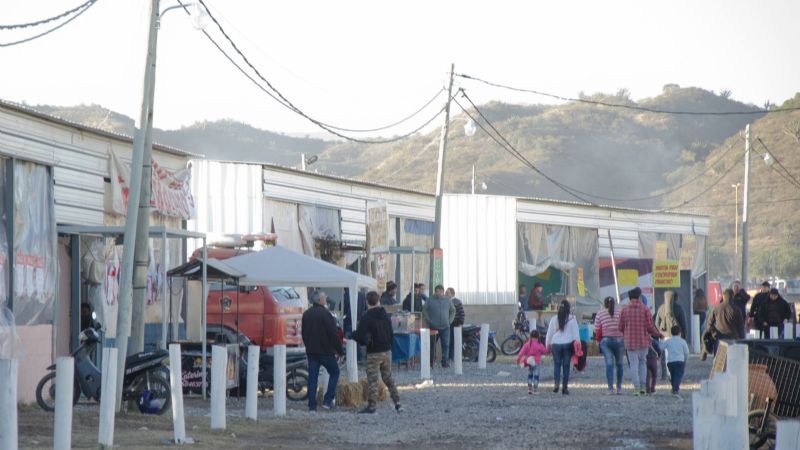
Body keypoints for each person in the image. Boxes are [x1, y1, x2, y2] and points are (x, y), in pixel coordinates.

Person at [353, 291, 403, 414]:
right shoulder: (385, 314)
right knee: (388, 378)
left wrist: (352, 335)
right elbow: (391, 333)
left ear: (366, 301)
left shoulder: (367, 316)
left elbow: (360, 336)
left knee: (373, 380)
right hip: (386, 351)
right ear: (378, 300)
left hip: (373, 352)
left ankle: (372, 406)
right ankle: (397, 403)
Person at [301, 290, 343, 411]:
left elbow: (303, 333)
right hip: (326, 351)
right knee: (335, 372)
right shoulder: (326, 314)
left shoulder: (306, 314)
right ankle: (327, 400)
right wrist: (340, 350)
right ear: (320, 300)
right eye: (324, 297)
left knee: (313, 377)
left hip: (311, 351)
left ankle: (312, 405)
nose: (326, 299)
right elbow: (333, 334)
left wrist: (308, 345)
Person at [619, 287, 663, 396]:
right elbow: (650, 326)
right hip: (643, 342)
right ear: (639, 296)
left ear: (629, 297)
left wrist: (625, 331)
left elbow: (620, 326)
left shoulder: (624, 310)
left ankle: (637, 388)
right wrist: (658, 334)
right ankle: (643, 387)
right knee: (643, 363)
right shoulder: (645, 309)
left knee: (633, 365)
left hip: (630, 342)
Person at [545, 300, 580, 395]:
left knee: (557, 365)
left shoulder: (554, 319)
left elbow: (549, 334)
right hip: (568, 344)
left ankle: (556, 384)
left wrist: (547, 345)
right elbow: (576, 334)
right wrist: (578, 345)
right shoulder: (572, 319)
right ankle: (565, 388)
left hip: (555, 344)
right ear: (568, 309)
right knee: (566, 365)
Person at [594, 296, 624, 395]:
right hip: (619, 341)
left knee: (609, 364)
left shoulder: (600, 313)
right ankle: (619, 388)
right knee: (619, 364)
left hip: (606, 341)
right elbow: (623, 326)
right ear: (614, 303)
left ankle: (610, 388)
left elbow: (596, 329)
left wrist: (597, 341)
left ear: (604, 304)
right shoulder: (620, 312)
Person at [655, 290, 687, 380]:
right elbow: (683, 323)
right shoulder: (679, 308)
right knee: (676, 355)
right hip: (677, 336)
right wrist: (684, 334)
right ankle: (674, 374)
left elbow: (657, 323)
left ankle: (664, 375)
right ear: (675, 298)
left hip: (664, 336)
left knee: (664, 357)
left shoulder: (661, 308)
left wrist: (660, 333)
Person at [422, 285, 455, 368]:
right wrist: (429, 320)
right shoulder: (430, 300)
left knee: (446, 345)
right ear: (435, 292)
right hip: (433, 327)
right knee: (432, 345)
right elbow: (424, 310)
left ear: (443, 292)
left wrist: (449, 321)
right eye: (437, 291)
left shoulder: (447, 300)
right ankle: (431, 362)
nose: (439, 293)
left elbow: (453, 310)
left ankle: (445, 362)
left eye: (441, 291)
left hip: (445, 327)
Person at [705, 288, 745, 355]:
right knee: (731, 359)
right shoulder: (737, 310)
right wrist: (742, 339)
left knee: (719, 360)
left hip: (719, 337)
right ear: (733, 297)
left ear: (723, 296)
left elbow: (709, 323)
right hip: (733, 338)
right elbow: (741, 327)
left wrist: (713, 333)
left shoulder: (717, 308)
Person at [660, 325, 690, 398]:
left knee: (673, 375)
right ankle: (675, 389)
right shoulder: (682, 341)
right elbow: (686, 352)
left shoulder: (668, 341)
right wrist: (685, 360)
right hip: (680, 361)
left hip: (670, 361)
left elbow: (661, 348)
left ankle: (674, 388)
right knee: (678, 375)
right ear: (680, 333)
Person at [516, 330, 549, 394]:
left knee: (530, 374)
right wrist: (549, 348)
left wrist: (518, 360)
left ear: (530, 336)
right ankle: (535, 389)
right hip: (537, 362)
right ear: (538, 336)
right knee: (536, 375)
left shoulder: (527, 344)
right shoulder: (539, 344)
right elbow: (545, 351)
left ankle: (529, 388)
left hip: (529, 361)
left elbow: (521, 353)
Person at [446, 287, 465, 362]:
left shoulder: (457, 302)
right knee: (449, 341)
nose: (446, 294)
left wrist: (460, 323)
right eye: (446, 293)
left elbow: (462, 313)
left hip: (455, 324)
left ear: (452, 293)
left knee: (452, 341)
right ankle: (449, 357)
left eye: (447, 293)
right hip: (448, 324)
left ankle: (451, 357)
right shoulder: (446, 301)